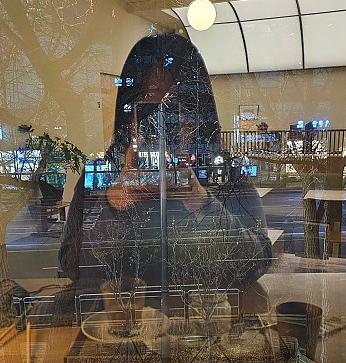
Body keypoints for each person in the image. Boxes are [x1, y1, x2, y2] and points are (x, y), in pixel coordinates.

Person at [59, 34, 272, 291]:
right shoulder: (101, 176)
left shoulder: (223, 174)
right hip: (126, 314)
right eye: (147, 113)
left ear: (197, 116)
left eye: (175, 112)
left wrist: (202, 203)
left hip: (200, 313)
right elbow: (71, 266)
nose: (161, 129)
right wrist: (112, 204)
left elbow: (257, 262)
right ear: (129, 118)